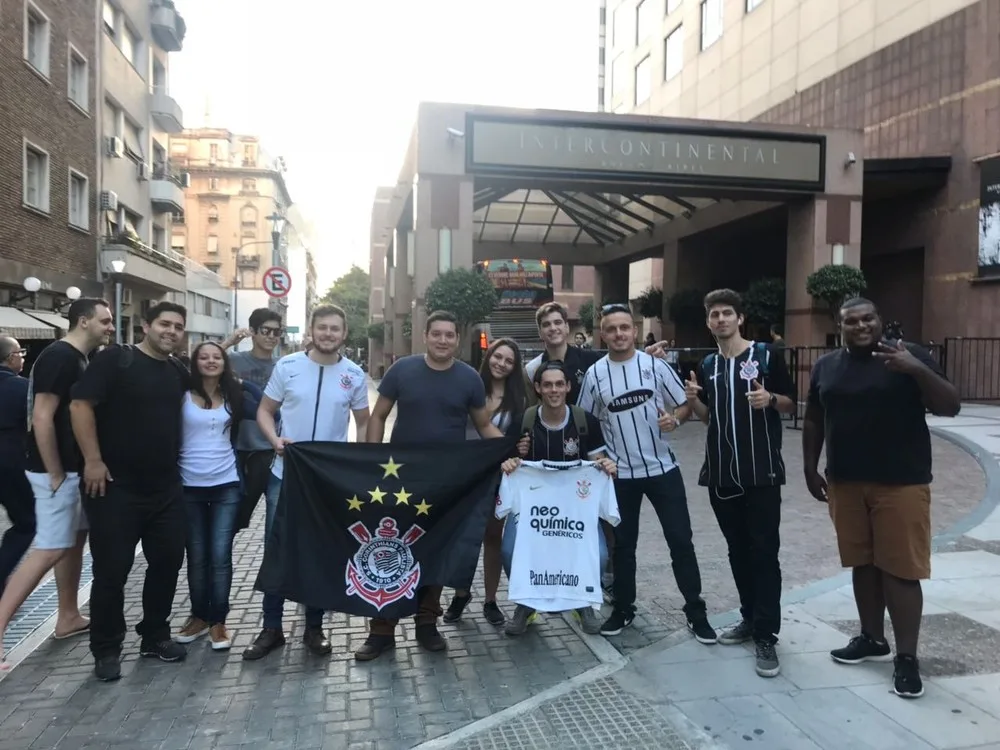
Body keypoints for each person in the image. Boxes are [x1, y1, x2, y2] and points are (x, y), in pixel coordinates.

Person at [803, 298, 960, 700]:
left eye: (867, 318)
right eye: (850, 321)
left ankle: (907, 658)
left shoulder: (907, 355)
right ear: (840, 327)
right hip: (846, 482)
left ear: (879, 320)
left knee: (901, 571)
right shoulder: (827, 366)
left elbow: (950, 405)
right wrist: (809, 466)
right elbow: (815, 417)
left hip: (900, 483)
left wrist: (916, 369)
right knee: (863, 563)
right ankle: (872, 637)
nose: (860, 326)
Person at [358, 310, 506, 661]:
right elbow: (378, 416)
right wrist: (369, 461)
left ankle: (427, 622)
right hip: (398, 478)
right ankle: (382, 630)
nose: (443, 340)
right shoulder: (402, 370)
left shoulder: (469, 378)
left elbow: (484, 426)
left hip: (445, 479)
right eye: (436, 334)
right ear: (425, 336)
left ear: (457, 339)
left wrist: (511, 453)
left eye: (449, 335)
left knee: (435, 548)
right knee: (390, 546)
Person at [577, 303, 715, 643]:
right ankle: (624, 608)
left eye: (625, 327)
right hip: (619, 475)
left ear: (634, 331)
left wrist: (677, 419)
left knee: (680, 541)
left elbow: (684, 403)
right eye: (612, 329)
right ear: (603, 334)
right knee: (624, 547)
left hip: (662, 470)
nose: (619, 334)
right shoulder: (595, 375)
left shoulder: (655, 366)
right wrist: (598, 459)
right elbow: (583, 423)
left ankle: (696, 612)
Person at [69, 302, 190, 681]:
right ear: (146, 326)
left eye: (177, 326)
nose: (170, 331)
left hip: (166, 488)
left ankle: (154, 634)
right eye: (164, 324)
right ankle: (106, 648)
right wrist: (92, 460)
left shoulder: (177, 371)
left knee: (168, 562)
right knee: (111, 572)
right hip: (114, 488)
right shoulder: (114, 361)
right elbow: (79, 405)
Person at [243, 304, 370, 661]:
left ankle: (314, 627)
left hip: (327, 480)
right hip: (286, 475)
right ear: (311, 331)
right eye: (323, 328)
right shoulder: (288, 367)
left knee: (321, 549)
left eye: (335, 329)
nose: (329, 334)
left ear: (344, 334)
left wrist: (356, 461)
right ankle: (271, 628)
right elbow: (264, 411)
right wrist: (274, 440)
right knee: (277, 548)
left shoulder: (354, 375)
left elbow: (363, 421)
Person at [683, 289, 797, 678]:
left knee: (764, 552)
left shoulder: (766, 355)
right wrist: (693, 399)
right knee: (737, 550)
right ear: (708, 322)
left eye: (727, 313)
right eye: (714, 314)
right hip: (720, 474)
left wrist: (772, 398)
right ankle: (749, 618)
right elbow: (707, 418)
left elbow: (792, 402)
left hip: (761, 472)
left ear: (740, 318)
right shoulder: (709, 364)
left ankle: (766, 634)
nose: (721, 320)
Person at [0, 300, 116, 669]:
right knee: (49, 547)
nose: (111, 327)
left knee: (72, 540)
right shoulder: (61, 357)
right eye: (106, 321)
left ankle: (68, 616)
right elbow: (42, 415)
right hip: (57, 470)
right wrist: (54, 472)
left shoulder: (77, 357)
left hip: (70, 469)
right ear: (83, 321)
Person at [500, 360, 616, 636]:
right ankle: (527, 604)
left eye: (559, 384)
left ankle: (582, 601)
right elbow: (508, 459)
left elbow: (598, 460)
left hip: (575, 507)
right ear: (538, 388)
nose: (554, 390)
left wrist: (607, 466)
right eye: (548, 385)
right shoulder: (524, 421)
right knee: (509, 550)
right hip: (532, 508)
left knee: (599, 554)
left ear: (568, 387)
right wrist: (510, 462)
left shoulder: (584, 421)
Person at [174, 342, 262, 652]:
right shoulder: (180, 395)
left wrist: (245, 382)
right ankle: (199, 616)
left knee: (220, 555)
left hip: (226, 485)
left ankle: (219, 621)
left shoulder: (234, 397)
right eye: (204, 357)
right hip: (187, 487)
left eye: (217, 357)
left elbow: (265, 408)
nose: (211, 361)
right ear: (195, 362)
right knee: (197, 556)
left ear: (225, 363)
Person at [445, 338, 530, 627]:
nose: (501, 364)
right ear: (488, 356)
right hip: (465, 474)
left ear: (514, 367)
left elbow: (520, 439)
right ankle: (461, 594)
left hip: (499, 475)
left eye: (509, 361)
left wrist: (521, 448)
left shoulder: (518, 400)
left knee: (493, 537)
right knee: (463, 536)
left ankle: (491, 599)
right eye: (498, 356)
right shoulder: (469, 386)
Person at [221, 308, 282, 531]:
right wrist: (228, 342)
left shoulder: (283, 366)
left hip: (274, 451)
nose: (272, 336)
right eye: (266, 330)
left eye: (277, 332)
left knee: (277, 519)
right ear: (253, 332)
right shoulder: (234, 360)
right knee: (234, 518)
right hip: (240, 450)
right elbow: (203, 362)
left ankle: (270, 566)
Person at [0, 337, 33, 608]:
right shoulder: (22, 388)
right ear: (11, 357)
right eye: (20, 353)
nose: (22, 357)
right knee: (27, 524)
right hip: (10, 466)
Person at [525, 303, 604, 405]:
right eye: (546, 324)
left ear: (567, 327)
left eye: (557, 322)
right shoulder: (532, 370)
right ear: (540, 332)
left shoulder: (593, 360)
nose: (553, 328)